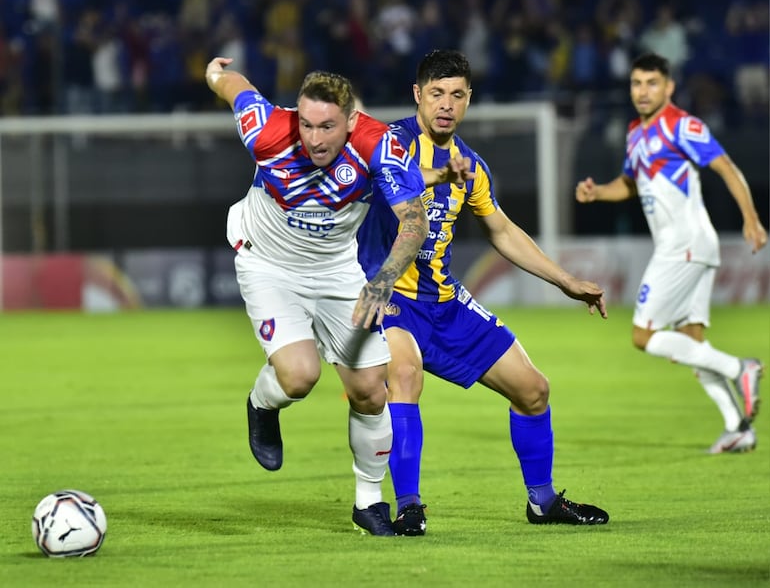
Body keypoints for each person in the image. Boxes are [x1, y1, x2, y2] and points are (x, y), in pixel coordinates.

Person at [357, 49, 610, 536]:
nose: (446, 104)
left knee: (534, 390)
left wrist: (567, 281)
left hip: (446, 304)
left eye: (456, 95)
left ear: (469, 99)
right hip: (389, 299)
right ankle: (408, 506)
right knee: (405, 376)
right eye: (436, 94)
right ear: (417, 95)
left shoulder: (471, 165)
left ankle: (543, 501)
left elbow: (503, 231)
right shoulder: (387, 145)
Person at [204, 56, 429, 536]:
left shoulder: (379, 147)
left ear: (351, 120)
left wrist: (384, 277)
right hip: (268, 264)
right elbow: (235, 86)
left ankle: (368, 504)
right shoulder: (267, 129)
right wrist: (214, 73)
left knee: (371, 390)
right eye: (306, 124)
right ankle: (261, 406)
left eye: (327, 126)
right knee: (300, 376)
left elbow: (414, 221)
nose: (314, 138)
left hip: (337, 272)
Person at [575, 52, 767, 454]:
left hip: (684, 245)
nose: (643, 91)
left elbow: (727, 168)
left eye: (651, 83)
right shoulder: (634, 133)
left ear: (669, 87)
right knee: (691, 343)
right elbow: (629, 184)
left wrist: (751, 218)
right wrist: (597, 193)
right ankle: (738, 428)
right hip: (691, 247)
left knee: (642, 336)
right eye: (636, 83)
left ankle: (740, 369)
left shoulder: (682, 125)